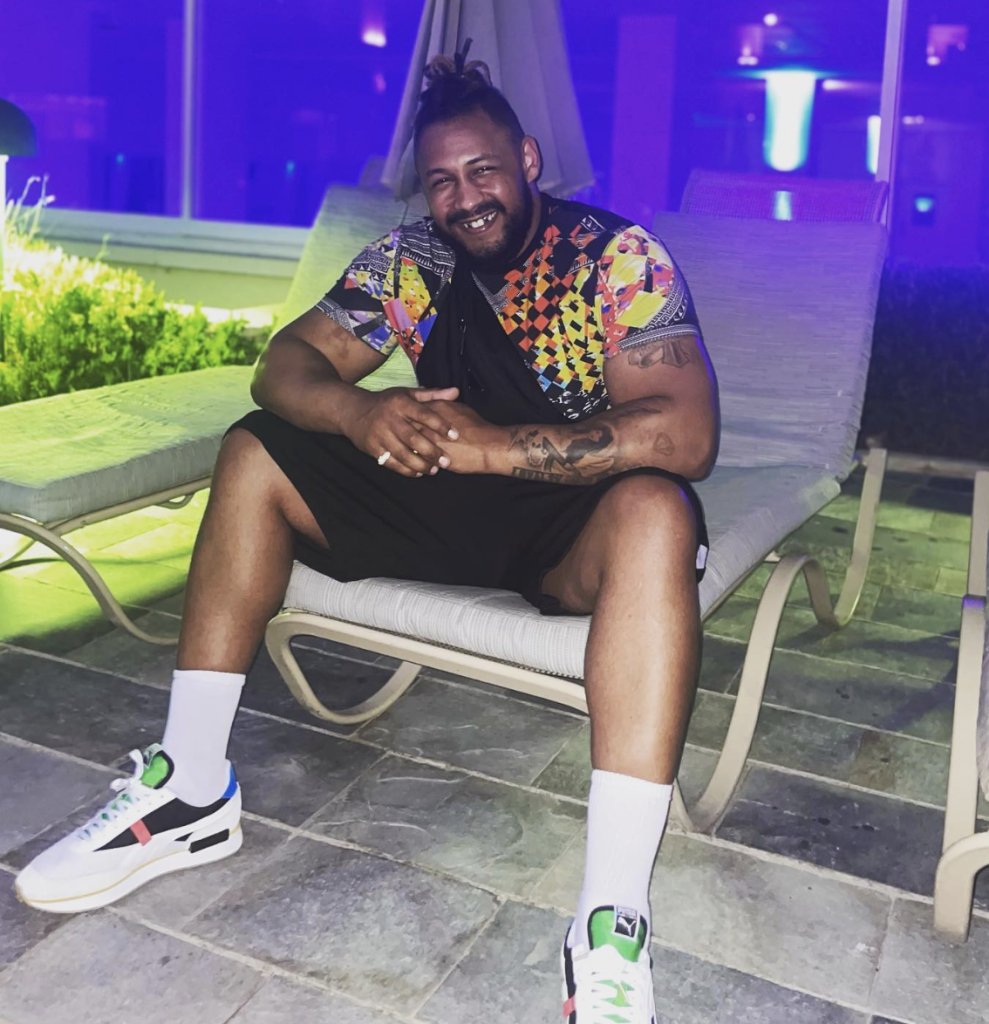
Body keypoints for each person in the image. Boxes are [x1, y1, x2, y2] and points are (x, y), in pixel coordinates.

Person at [15, 46, 718, 1024]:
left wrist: (490, 449)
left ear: (525, 160)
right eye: (442, 181)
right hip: (440, 492)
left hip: (570, 522)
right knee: (256, 447)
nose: (464, 198)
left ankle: (608, 918)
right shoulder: (412, 262)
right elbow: (283, 366)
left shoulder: (615, 259)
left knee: (657, 510)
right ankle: (190, 789)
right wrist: (357, 413)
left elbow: (684, 435)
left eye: (482, 171)